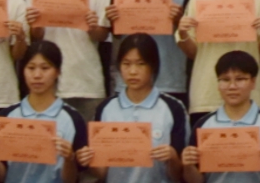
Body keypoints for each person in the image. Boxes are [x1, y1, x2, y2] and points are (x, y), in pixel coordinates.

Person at [79, 36, 188, 183]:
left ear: (153, 66)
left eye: (141, 64)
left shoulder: (173, 108)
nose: (133, 71)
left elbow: (180, 175)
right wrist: (89, 160)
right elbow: (101, 173)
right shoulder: (106, 108)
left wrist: (173, 157)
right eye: (126, 64)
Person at [0, 41, 87, 183]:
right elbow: (2, 176)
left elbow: (72, 180)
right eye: (31, 68)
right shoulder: (7, 116)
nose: (37, 75)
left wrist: (69, 159)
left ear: (58, 71)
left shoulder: (73, 118)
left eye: (45, 68)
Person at [180, 51, 260, 183]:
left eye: (240, 79)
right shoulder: (204, 124)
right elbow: (195, 181)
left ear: (253, 82)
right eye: (225, 80)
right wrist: (188, 166)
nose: (232, 86)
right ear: (218, 84)